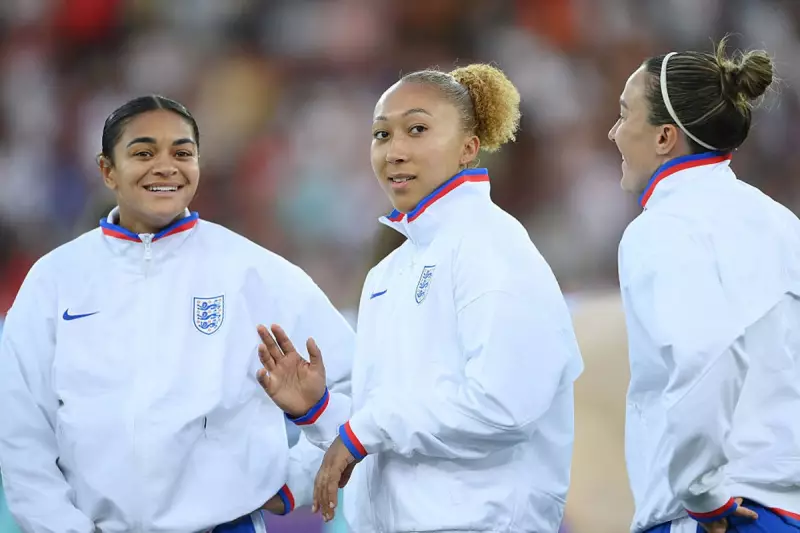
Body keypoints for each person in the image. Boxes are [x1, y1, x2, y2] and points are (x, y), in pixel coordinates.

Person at [0, 95, 355, 533]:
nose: (166, 166)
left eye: (182, 153)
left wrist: (292, 481)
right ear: (107, 170)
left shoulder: (253, 272)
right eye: (143, 152)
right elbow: (21, 433)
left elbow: (357, 381)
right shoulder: (54, 280)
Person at [255, 63, 584, 533]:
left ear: (469, 147)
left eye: (417, 129)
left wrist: (362, 430)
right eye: (381, 134)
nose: (395, 151)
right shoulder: (390, 272)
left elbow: (503, 406)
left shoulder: (492, 245)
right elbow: (387, 428)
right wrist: (320, 411)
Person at [609, 39, 800, 533]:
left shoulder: (663, 226)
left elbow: (708, 353)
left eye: (625, 114)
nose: (613, 132)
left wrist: (702, 490)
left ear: (664, 137)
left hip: (719, 515)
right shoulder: (781, 222)